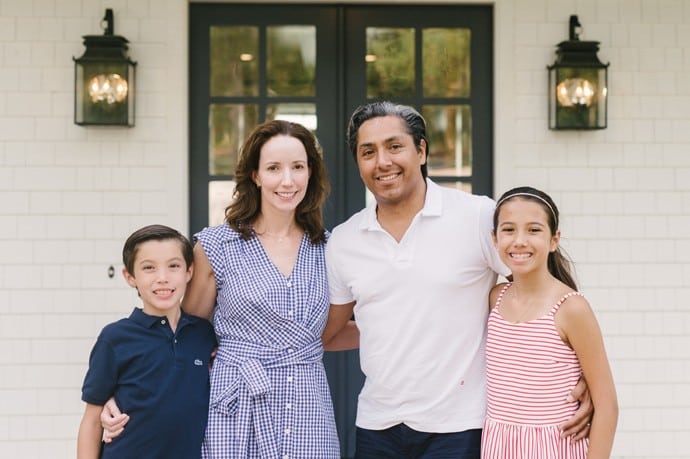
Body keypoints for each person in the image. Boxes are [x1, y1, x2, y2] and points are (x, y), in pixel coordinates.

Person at [321, 101, 594, 458]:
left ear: (421, 151)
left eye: (394, 146)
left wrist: (583, 371)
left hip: (461, 425)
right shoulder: (344, 240)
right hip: (377, 425)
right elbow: (329, 333)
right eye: (367, 152)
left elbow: (542, 292)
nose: (382, 161)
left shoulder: (476, 215)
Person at [100, 120, 340, 458]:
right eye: (273, 168)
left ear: (310, 173)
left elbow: (345, 326)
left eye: (298, 167)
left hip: (307, 405)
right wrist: (115, 395)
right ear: (255, 175)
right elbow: (182, 338)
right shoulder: (217, 246)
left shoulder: (330, 248)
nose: (287, 180)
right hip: (233, 406)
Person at [482, 187, 618, 458]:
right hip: (499, 447)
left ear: (554, 239)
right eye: (509, 230)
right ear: (494, 239)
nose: (520, 241)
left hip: (555, 448)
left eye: (534, 230)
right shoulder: (495, 299)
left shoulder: (571, 308)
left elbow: (607, 406)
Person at [77, 224, 217, 459]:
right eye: (149, 268)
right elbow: (91, 421)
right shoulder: (115, 338)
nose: (162, 278)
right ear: (130, 277)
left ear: (189, 272)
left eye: (174, 266)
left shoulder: (203, 334)